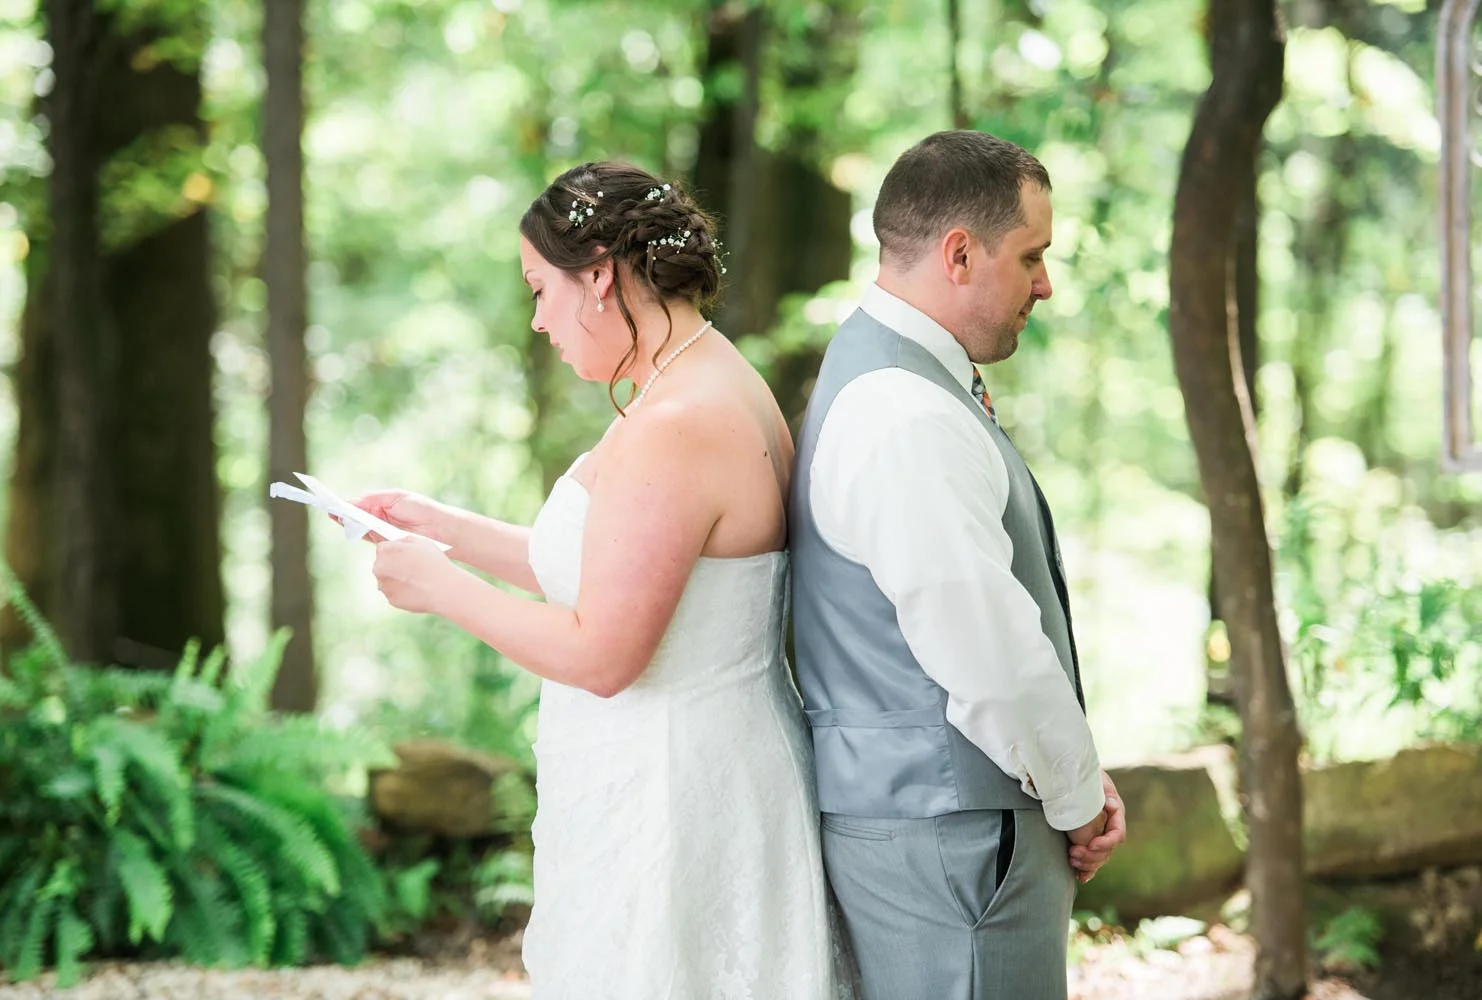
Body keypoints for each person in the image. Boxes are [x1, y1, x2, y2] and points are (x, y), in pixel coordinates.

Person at [352, 162, 853, 998]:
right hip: (694, 764)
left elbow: (605, 653)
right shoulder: (703, 374)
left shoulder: (677, 422)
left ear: (598, 274)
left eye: (540, 290)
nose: (540, 320)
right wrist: (444, 528)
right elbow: (622, 570)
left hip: (672, 791)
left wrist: (441, 588)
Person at [788, 129, 1127, 999]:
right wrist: (1079, 795)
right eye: (1032, 256)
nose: (1045, 284)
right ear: (961, 253)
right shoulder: (903, 411)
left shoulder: (893, 379)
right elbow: (986, 646)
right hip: (956, 849)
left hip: (940, 833)